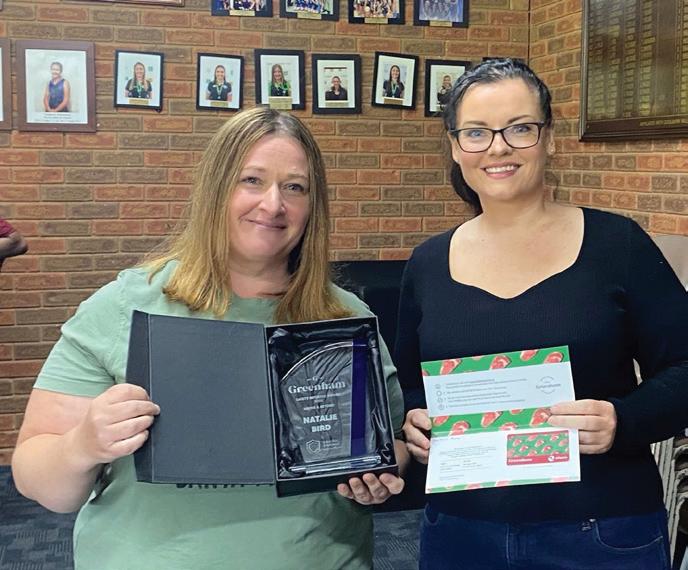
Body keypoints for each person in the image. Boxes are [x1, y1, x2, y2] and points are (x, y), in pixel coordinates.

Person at [11, 108, 408, 570]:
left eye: (295, 187)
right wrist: (84, 444)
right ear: (216, 188)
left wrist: (377, 477)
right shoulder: (125, 306)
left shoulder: (345, 318)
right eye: (252, 180)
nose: (273, 204)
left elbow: (390, 447)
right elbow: (41, 483)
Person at [398, 58, 688, 570]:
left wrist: (624, 420)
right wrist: (415, 424)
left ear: (548, 138)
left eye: (519, 128)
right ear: (455, 146)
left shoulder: (618, 245)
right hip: (461, 534)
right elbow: (410, 388)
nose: (498, 148)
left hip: (602, 533)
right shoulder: (426, 264)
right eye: (476, 132)